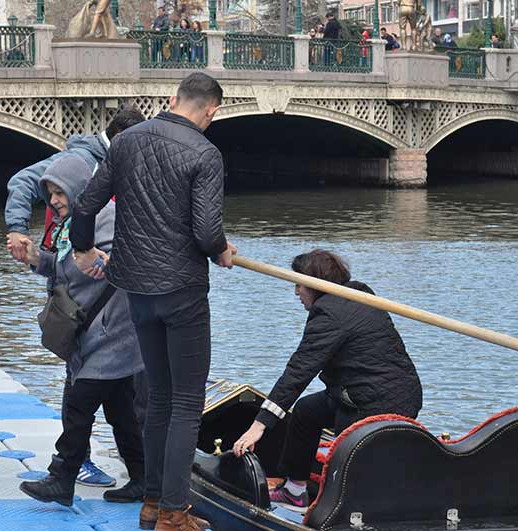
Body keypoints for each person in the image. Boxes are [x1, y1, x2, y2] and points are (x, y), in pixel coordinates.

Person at [69, 72, 236, 531]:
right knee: (186, 401)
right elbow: (205, 231)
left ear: (172, 99)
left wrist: (83, 248)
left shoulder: (126, 142)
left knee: (160, 396)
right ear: (211, 110)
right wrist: (221, 249)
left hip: (136, 290)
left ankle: (152, 503)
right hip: (181, 290)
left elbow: (84, 205)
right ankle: (173, 513)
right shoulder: (205, 152)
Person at [5, 108, 147, 488]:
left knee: (80, 407)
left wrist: (106, 262)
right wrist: (36, 258)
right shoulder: (76, 224)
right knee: (121, 414)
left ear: (79, 188)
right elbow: (66, 267)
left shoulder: (107, 217)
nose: (52, 201)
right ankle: (142, 480)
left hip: (108, 332)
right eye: (49, 193)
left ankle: (62, 479)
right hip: (96, 333)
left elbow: (122, 265)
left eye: (58, 192)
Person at [232, 250, 422, 512]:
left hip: (378, 403)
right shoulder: (357, 293)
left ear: (315, 284)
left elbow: (298, 372)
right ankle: (295, 492)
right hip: (364, 392)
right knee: (305, 412)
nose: (296, 292)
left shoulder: (331, 315)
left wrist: (259, 425)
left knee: (344, 448)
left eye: (298, 284)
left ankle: (341, 508)